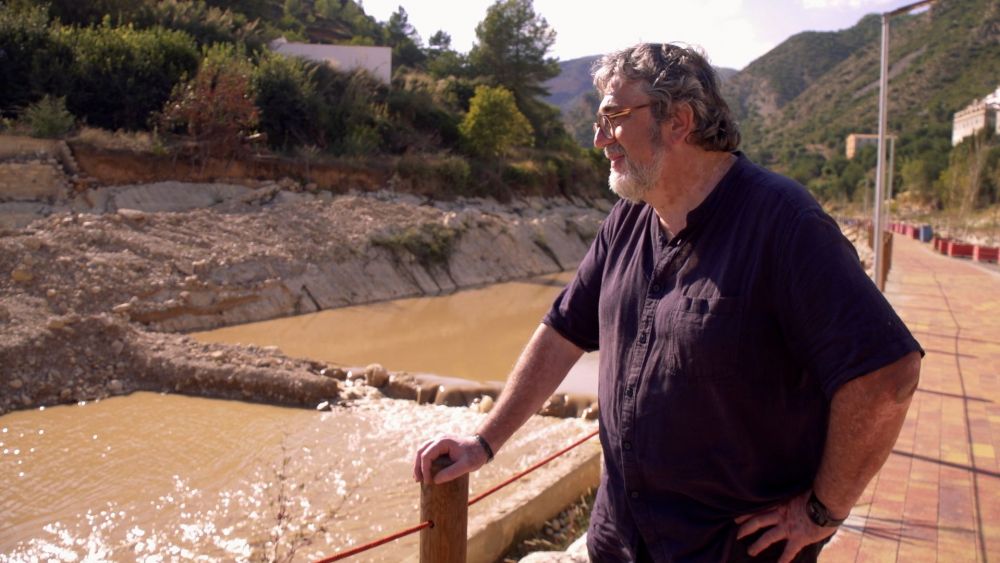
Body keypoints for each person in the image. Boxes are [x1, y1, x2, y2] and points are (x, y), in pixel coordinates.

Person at [413, 42, 922, 563]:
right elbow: (562, 333)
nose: (599, 139)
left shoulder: (785, 222)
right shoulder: (628, 218)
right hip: (617, 545)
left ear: (678, 120)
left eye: (614, 118)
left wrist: (822, 510)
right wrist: (485, 441)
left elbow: (887, 374)